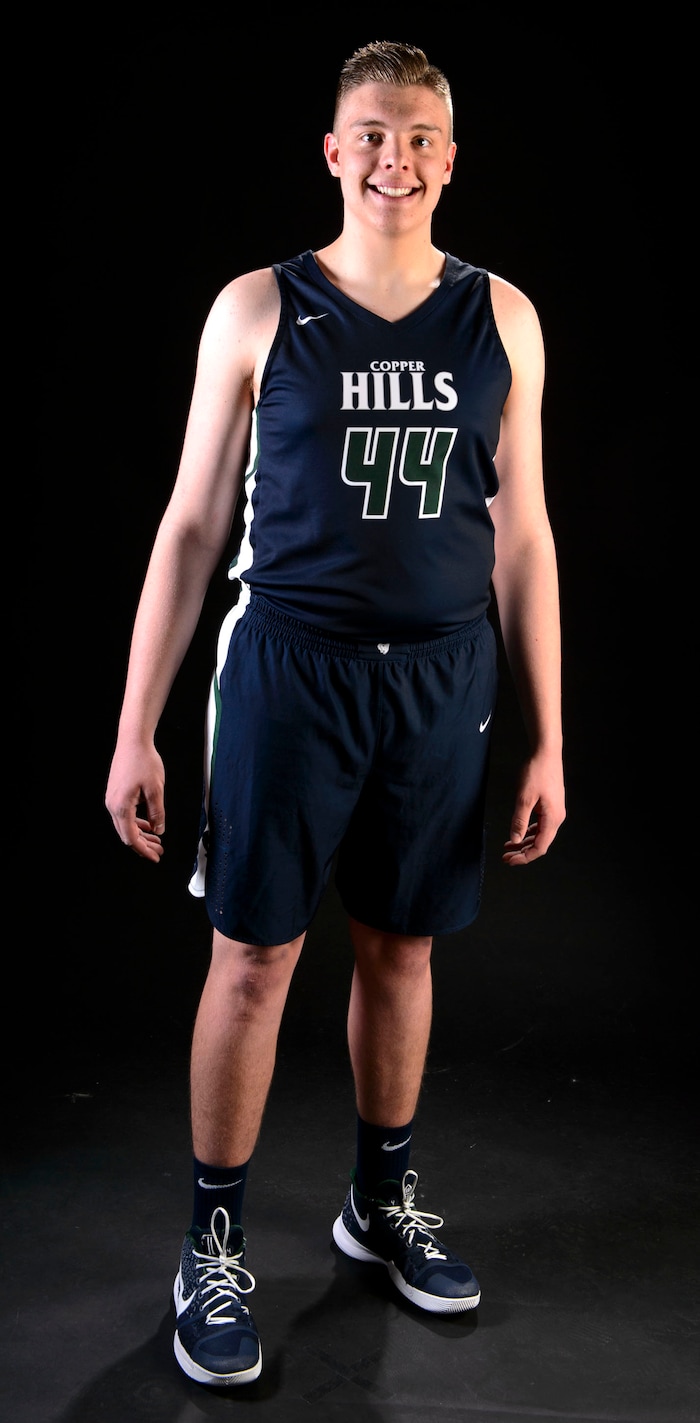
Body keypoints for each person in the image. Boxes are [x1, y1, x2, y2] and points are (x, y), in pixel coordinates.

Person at [105, 39, 566, 1388]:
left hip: (441, 676)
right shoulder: (259, 307)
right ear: (331, 150)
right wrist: (135, 724)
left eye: (420, 137)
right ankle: (213, 1245)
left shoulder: (505, 318)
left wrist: (551, 731)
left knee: (403, 950)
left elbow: (525, 536)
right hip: (289, 667)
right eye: (370, 134)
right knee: (253, 959)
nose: (395, 160)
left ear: (451, 159)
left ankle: (377, 1205)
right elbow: (192, 525)